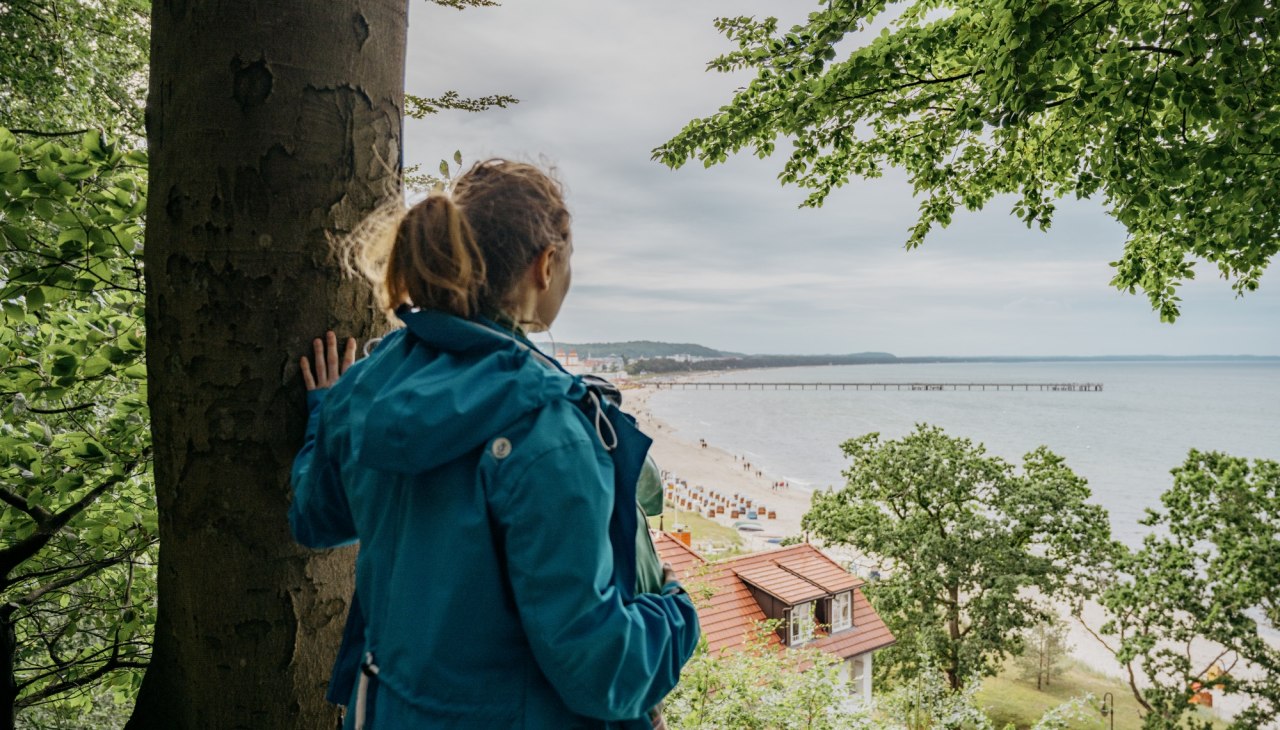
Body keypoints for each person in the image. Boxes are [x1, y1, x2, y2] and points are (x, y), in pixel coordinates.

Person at [289, 160, 699, 729]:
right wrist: (677, 614)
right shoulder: (547, 423)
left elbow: (315, 519)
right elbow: (601, 672)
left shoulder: (364, 390)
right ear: (546, 264)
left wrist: (322, 413)